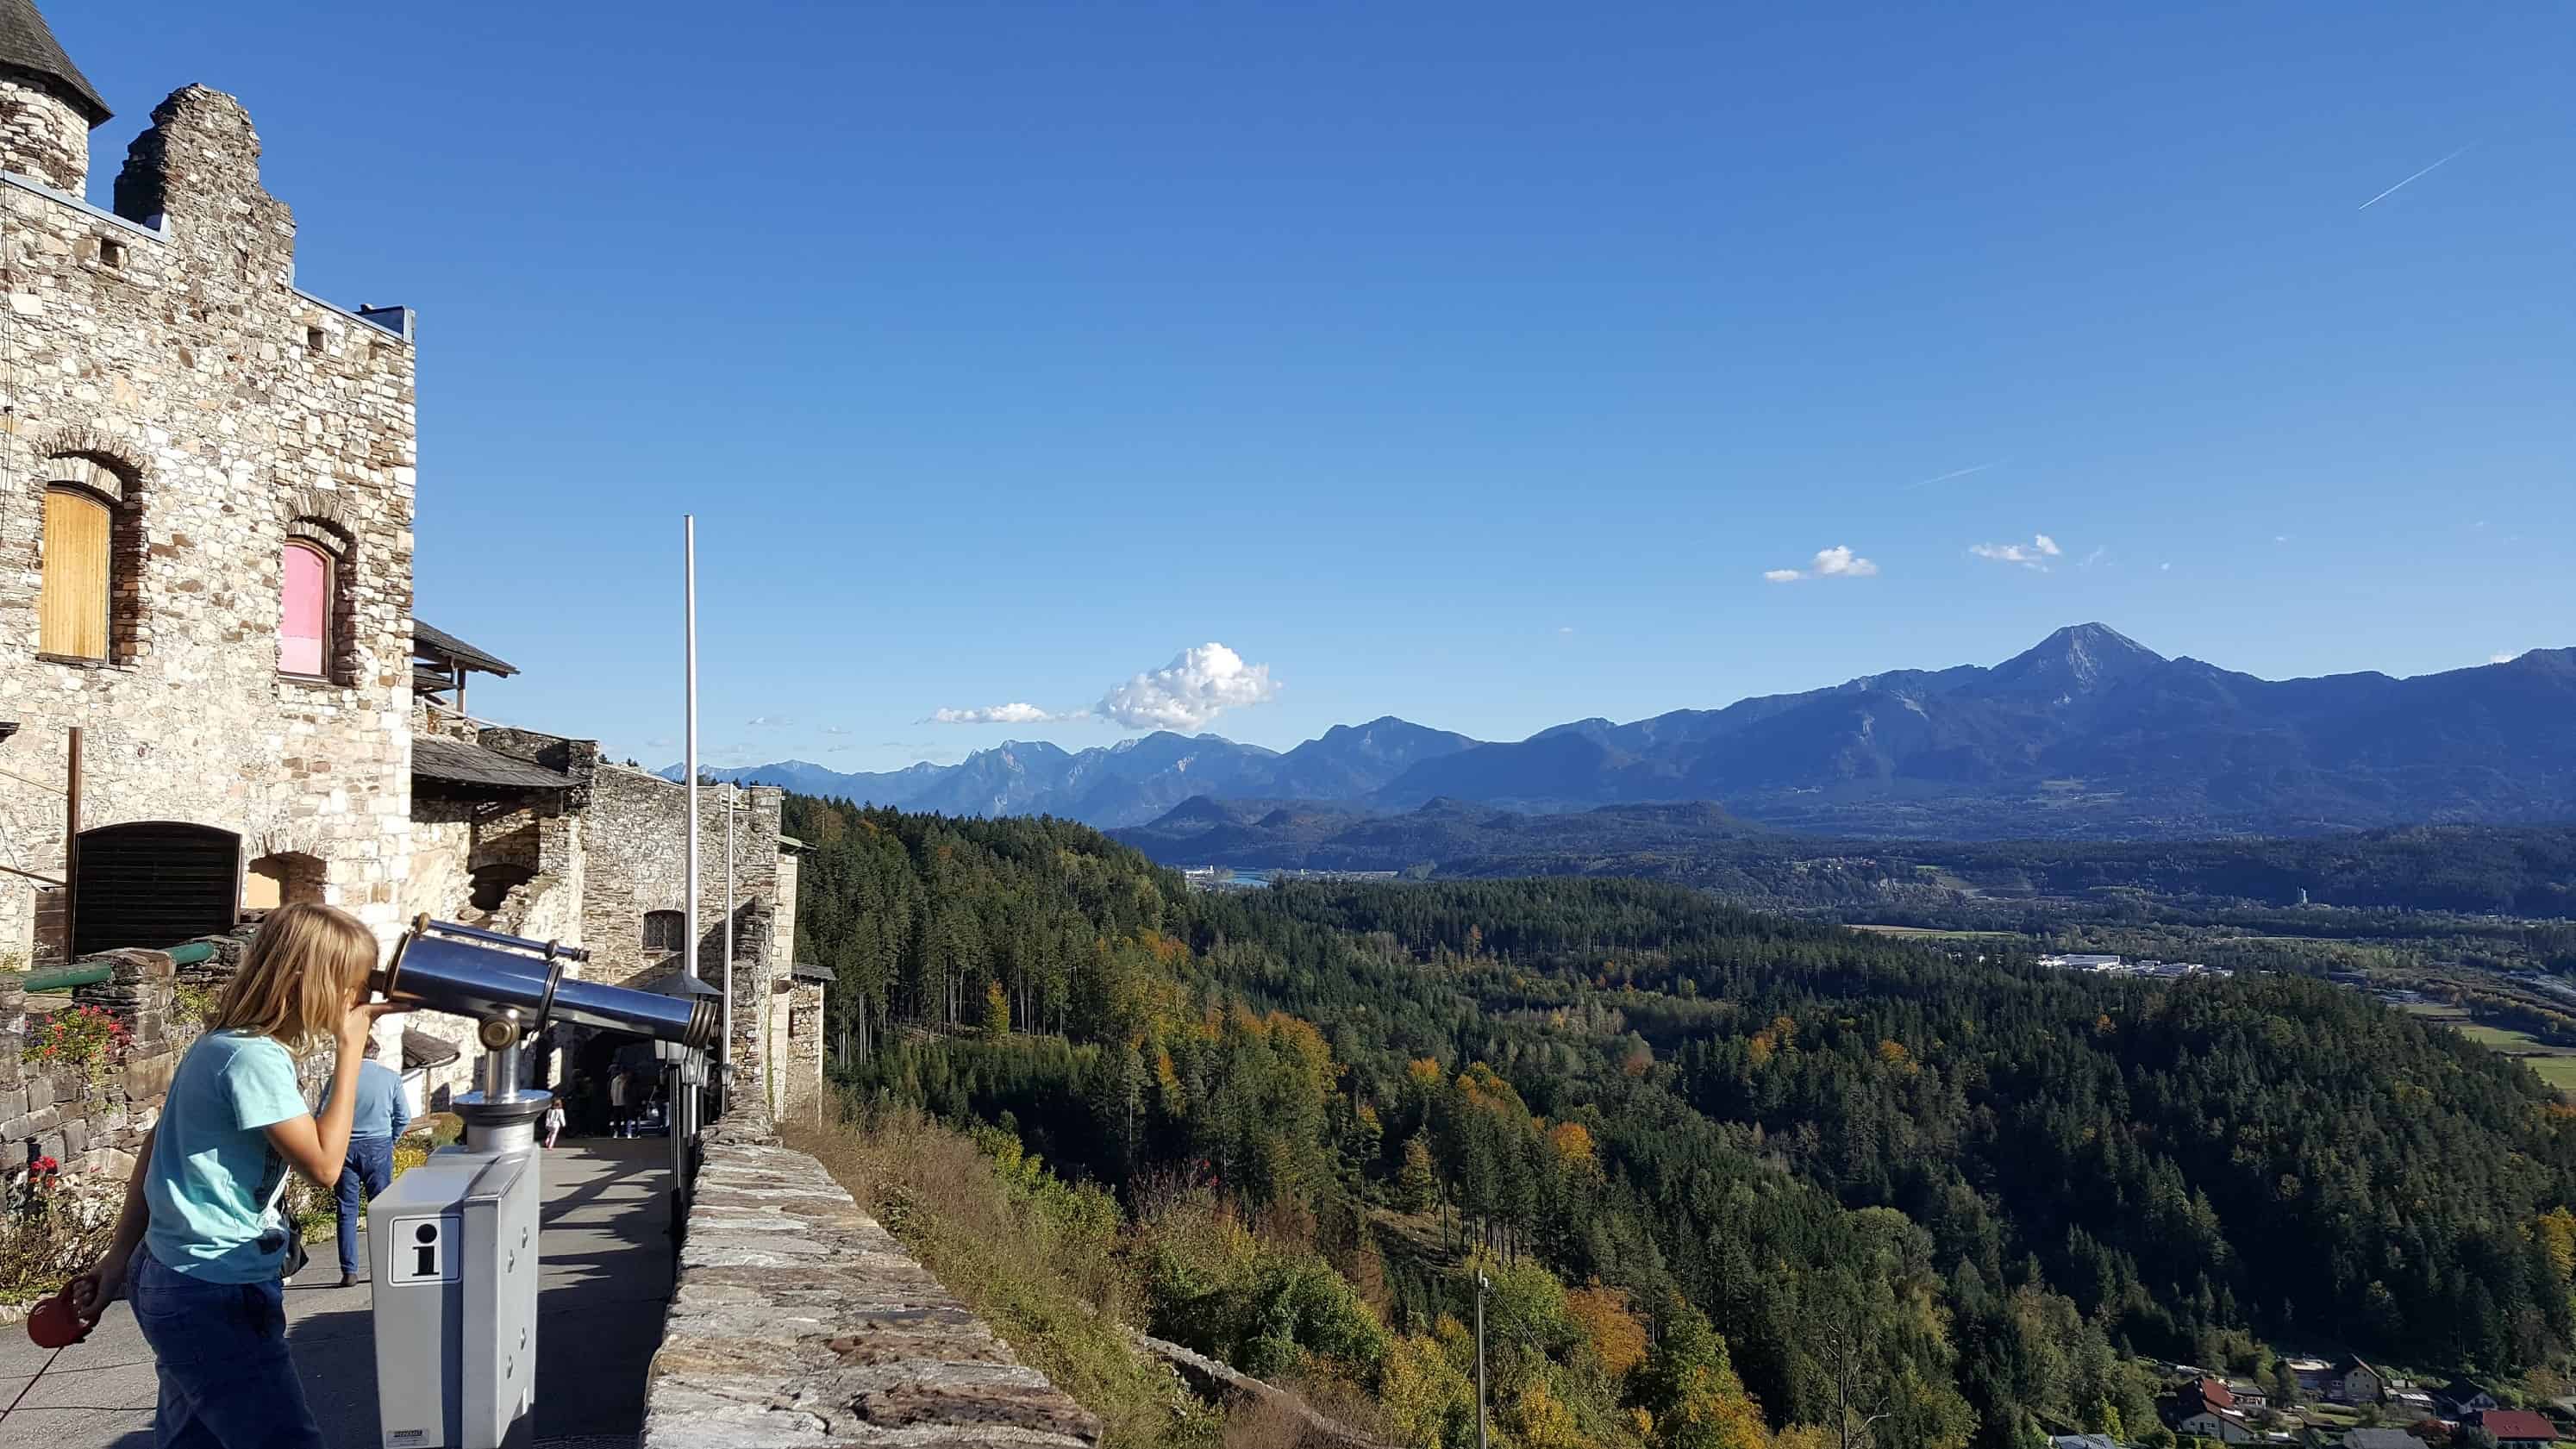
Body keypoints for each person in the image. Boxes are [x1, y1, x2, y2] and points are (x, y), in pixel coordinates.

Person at [68, 903, 410, 1449]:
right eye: (351, 985)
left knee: (191, 1442)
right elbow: (325, 1165)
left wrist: (117, 1262)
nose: (359, 999)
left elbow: (155, 1150)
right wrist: (352, 1048)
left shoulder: (223, 1043)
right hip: (212, 1289)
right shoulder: (251, 1058)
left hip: (179, 1277)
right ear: (306, 981)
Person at [316, 1045, 412, 1287]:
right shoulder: (391, 1078)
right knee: (380, 1209)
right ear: (376, 1053)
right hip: (378, 1144)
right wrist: (391, 1139)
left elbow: (321, 1115)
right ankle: (382, 1267)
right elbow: (404, 1117)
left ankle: (349, 1270)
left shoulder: (339, 1078)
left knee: (346, 1209)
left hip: (345, 1146)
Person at [608, 1066, 632, 1137]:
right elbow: (612, 1091)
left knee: (621, 1118)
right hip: (619, 1102)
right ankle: (620, 1131)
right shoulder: (617, 1081)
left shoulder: (616, 1080)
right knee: (620, 1118)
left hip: (619, 1102)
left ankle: (621, 1131)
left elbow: (612, 1091)